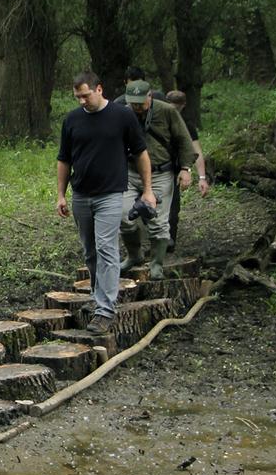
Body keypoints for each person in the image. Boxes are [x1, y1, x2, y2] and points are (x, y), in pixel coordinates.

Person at [56, 71, 155, 335]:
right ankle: (98, 294)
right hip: (81, 195)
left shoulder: (122, 116)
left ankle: (105, 309)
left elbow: (141, 154)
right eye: (77, 97)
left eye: (85, 95)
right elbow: (64, 159)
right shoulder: (72, 120)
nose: (82, 101)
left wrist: (148, 190)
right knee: (90, 251)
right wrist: (61, 194)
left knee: (106, 248)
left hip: (111, 194)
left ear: (99, 89)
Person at [118, 80, 198, 279]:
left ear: (150, 97)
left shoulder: (167, 112)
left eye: (140, 103)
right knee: (124, 216)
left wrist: (186, 169)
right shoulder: (121, 112)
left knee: (158, 221)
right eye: (132, 103)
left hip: (161, 172)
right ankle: (134, 255)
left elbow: (184, 140)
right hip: (130, 172)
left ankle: (156, 264)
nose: (136, 107)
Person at [163, 89, 211, 248]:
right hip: (155, 168)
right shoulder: (156, 119)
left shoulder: (187, 125)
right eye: (172, 108)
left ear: (183, 106)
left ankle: (169, 240)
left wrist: (202, 178)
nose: (174, 112)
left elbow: (196, 152)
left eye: (177, 109)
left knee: (173, 207)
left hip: (175, 169)